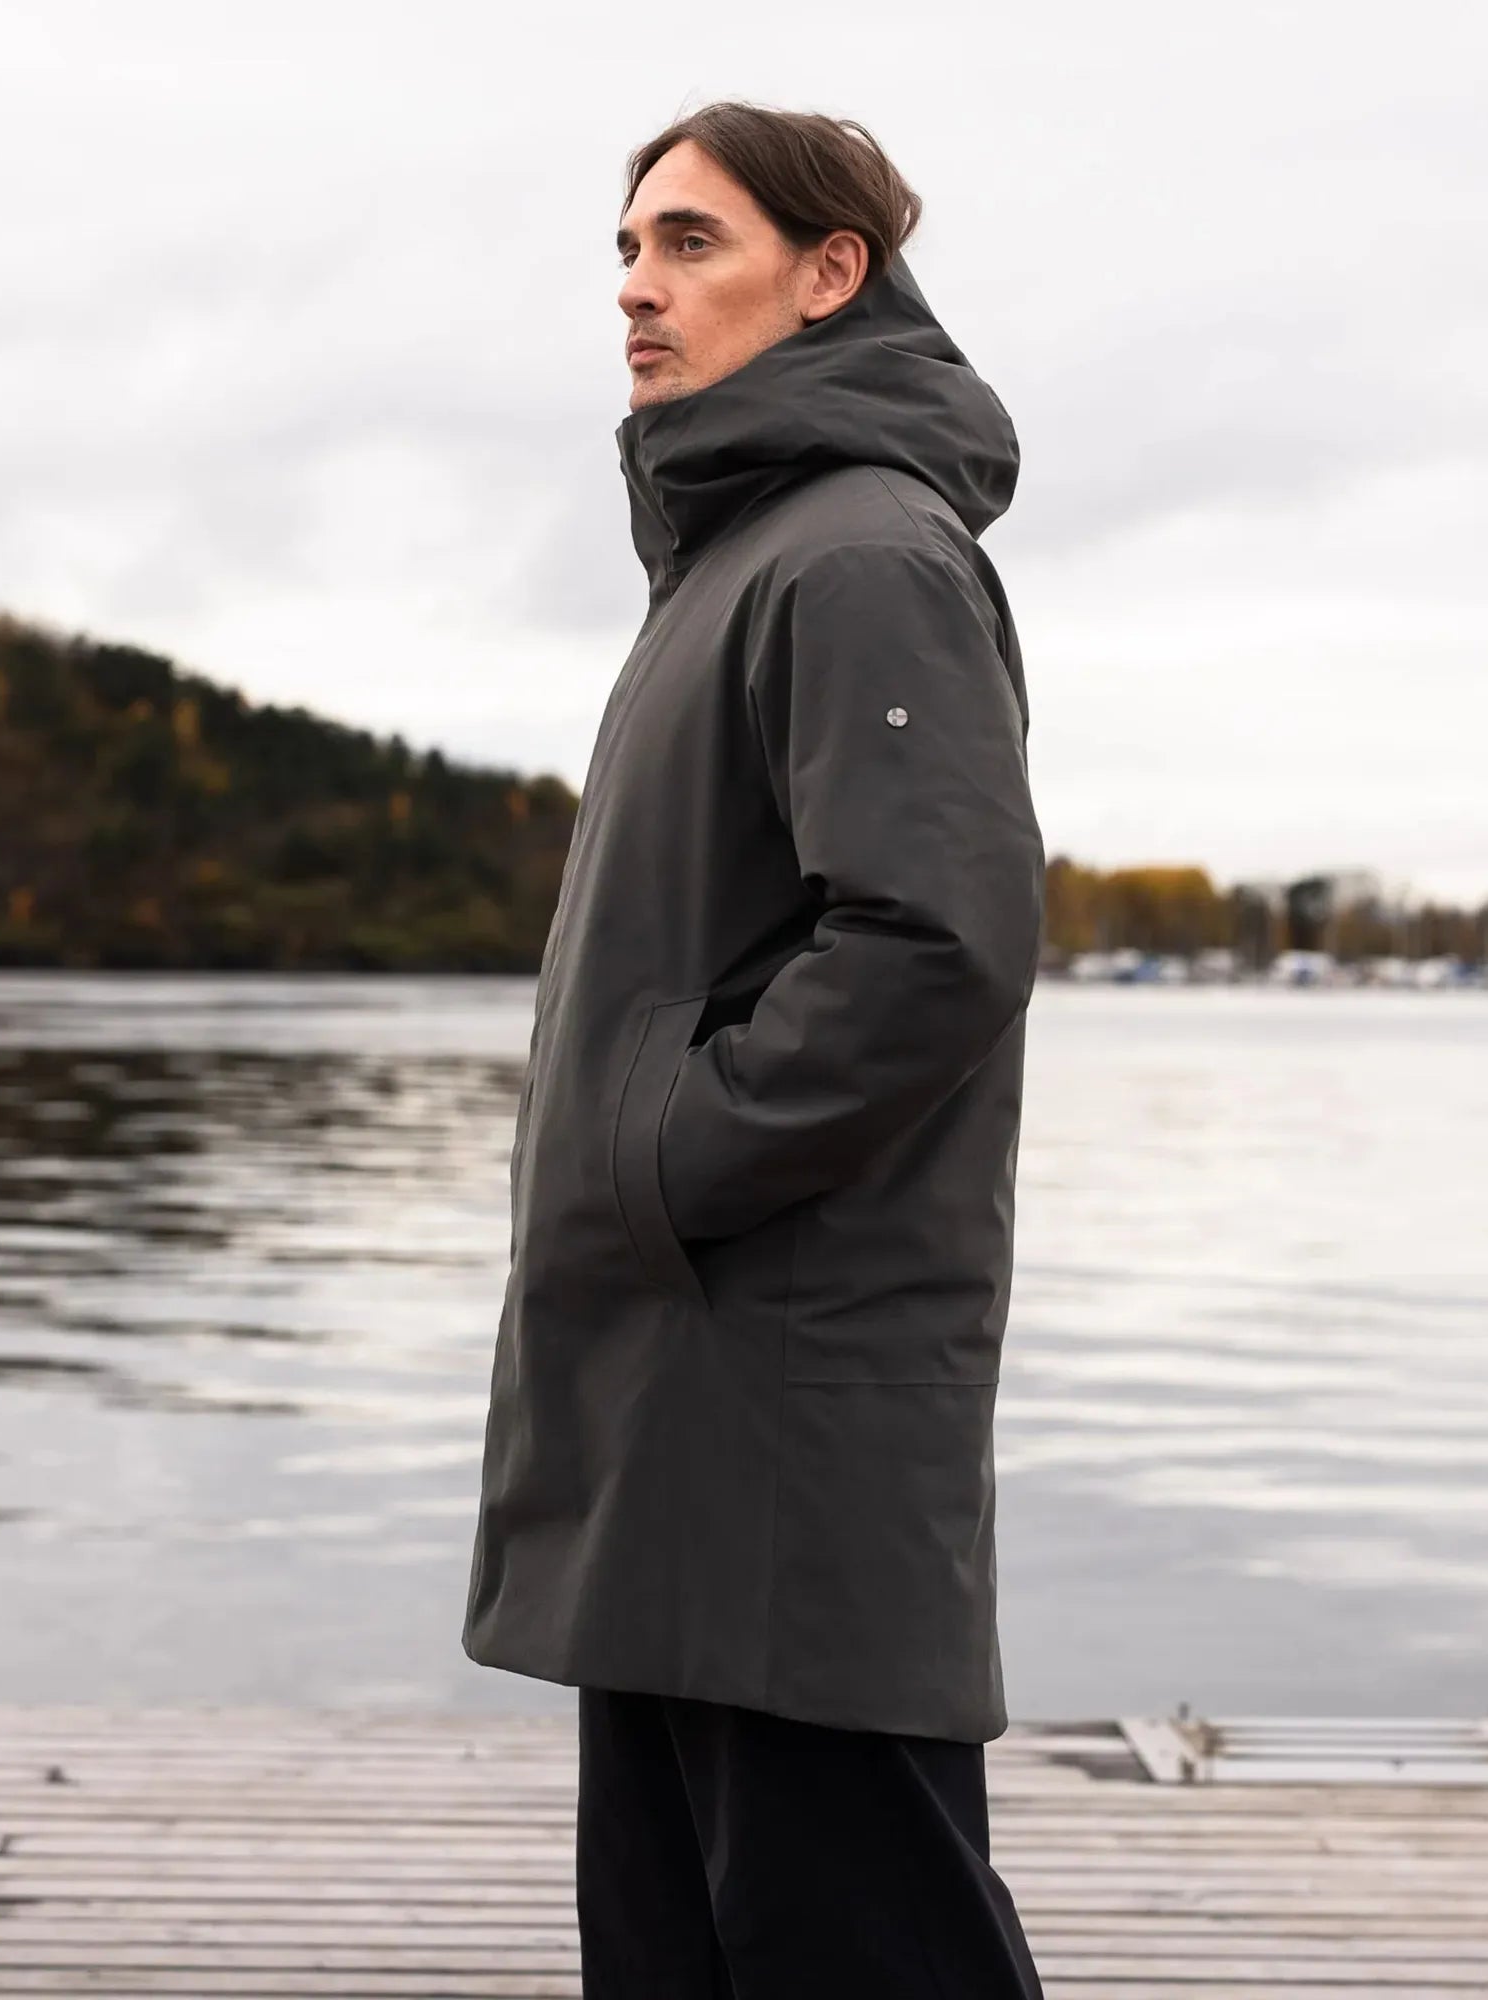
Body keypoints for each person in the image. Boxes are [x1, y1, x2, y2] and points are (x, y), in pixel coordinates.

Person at [463, 99, 1047, 1999]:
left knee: (865, 1956)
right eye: (628, 249)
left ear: (829, 274)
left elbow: (935, 944)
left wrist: (656, 1151)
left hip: (790, 1424)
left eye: (692, 242)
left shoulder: (860, 553)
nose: (638, 287)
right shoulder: (735, 560)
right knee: (679, 1958)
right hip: (673, 1396)